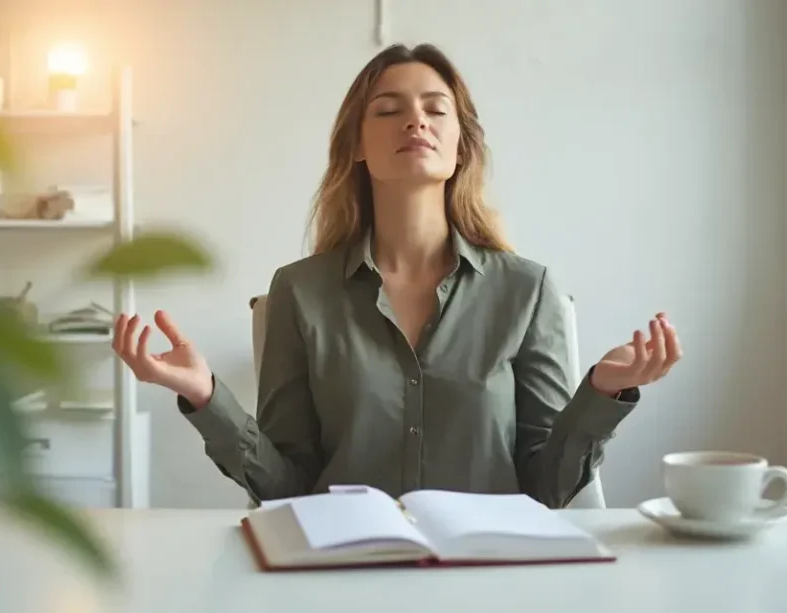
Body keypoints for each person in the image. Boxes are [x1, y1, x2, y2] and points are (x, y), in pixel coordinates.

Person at [112, 43, 681, 509]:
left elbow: (547, 488)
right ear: (357, 144)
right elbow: (285, 487)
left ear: (461, 146)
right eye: (388, 109)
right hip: (344, 578)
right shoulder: (299, 292)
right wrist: (206, 398)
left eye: (436, 109)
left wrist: (604, 394)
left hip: (489, 580)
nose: (416, 120)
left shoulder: (528, 291)